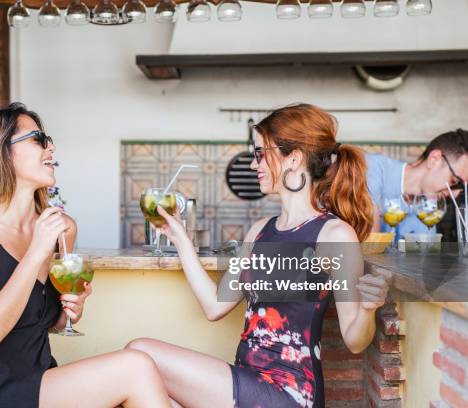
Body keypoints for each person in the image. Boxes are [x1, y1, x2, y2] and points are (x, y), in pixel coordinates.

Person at [126, 104, 389, 408]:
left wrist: (368, 309)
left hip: (291, 392)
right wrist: (181, 240)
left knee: (138, 356)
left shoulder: (334, 235)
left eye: (261, 153)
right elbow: (215, 305)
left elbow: (355, 340)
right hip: (249, 380)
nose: (254, 165)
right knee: (148, 387)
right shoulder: (259, 231)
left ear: (294, 158)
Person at [0, 103, 171, 408]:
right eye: (38, 139)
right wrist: (36, 253)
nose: (51, 146)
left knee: (150, 379)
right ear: (0, 152)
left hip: (40, 382)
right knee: (137, 367)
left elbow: (42, 321)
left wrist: (71, 310)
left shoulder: (61, 229)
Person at [366, 129, 468, 236]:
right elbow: (370, 242)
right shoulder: (372, 168)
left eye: (462, 188)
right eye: (455, 181)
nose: (454, 195)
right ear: (434, 160)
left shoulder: (426, 217)